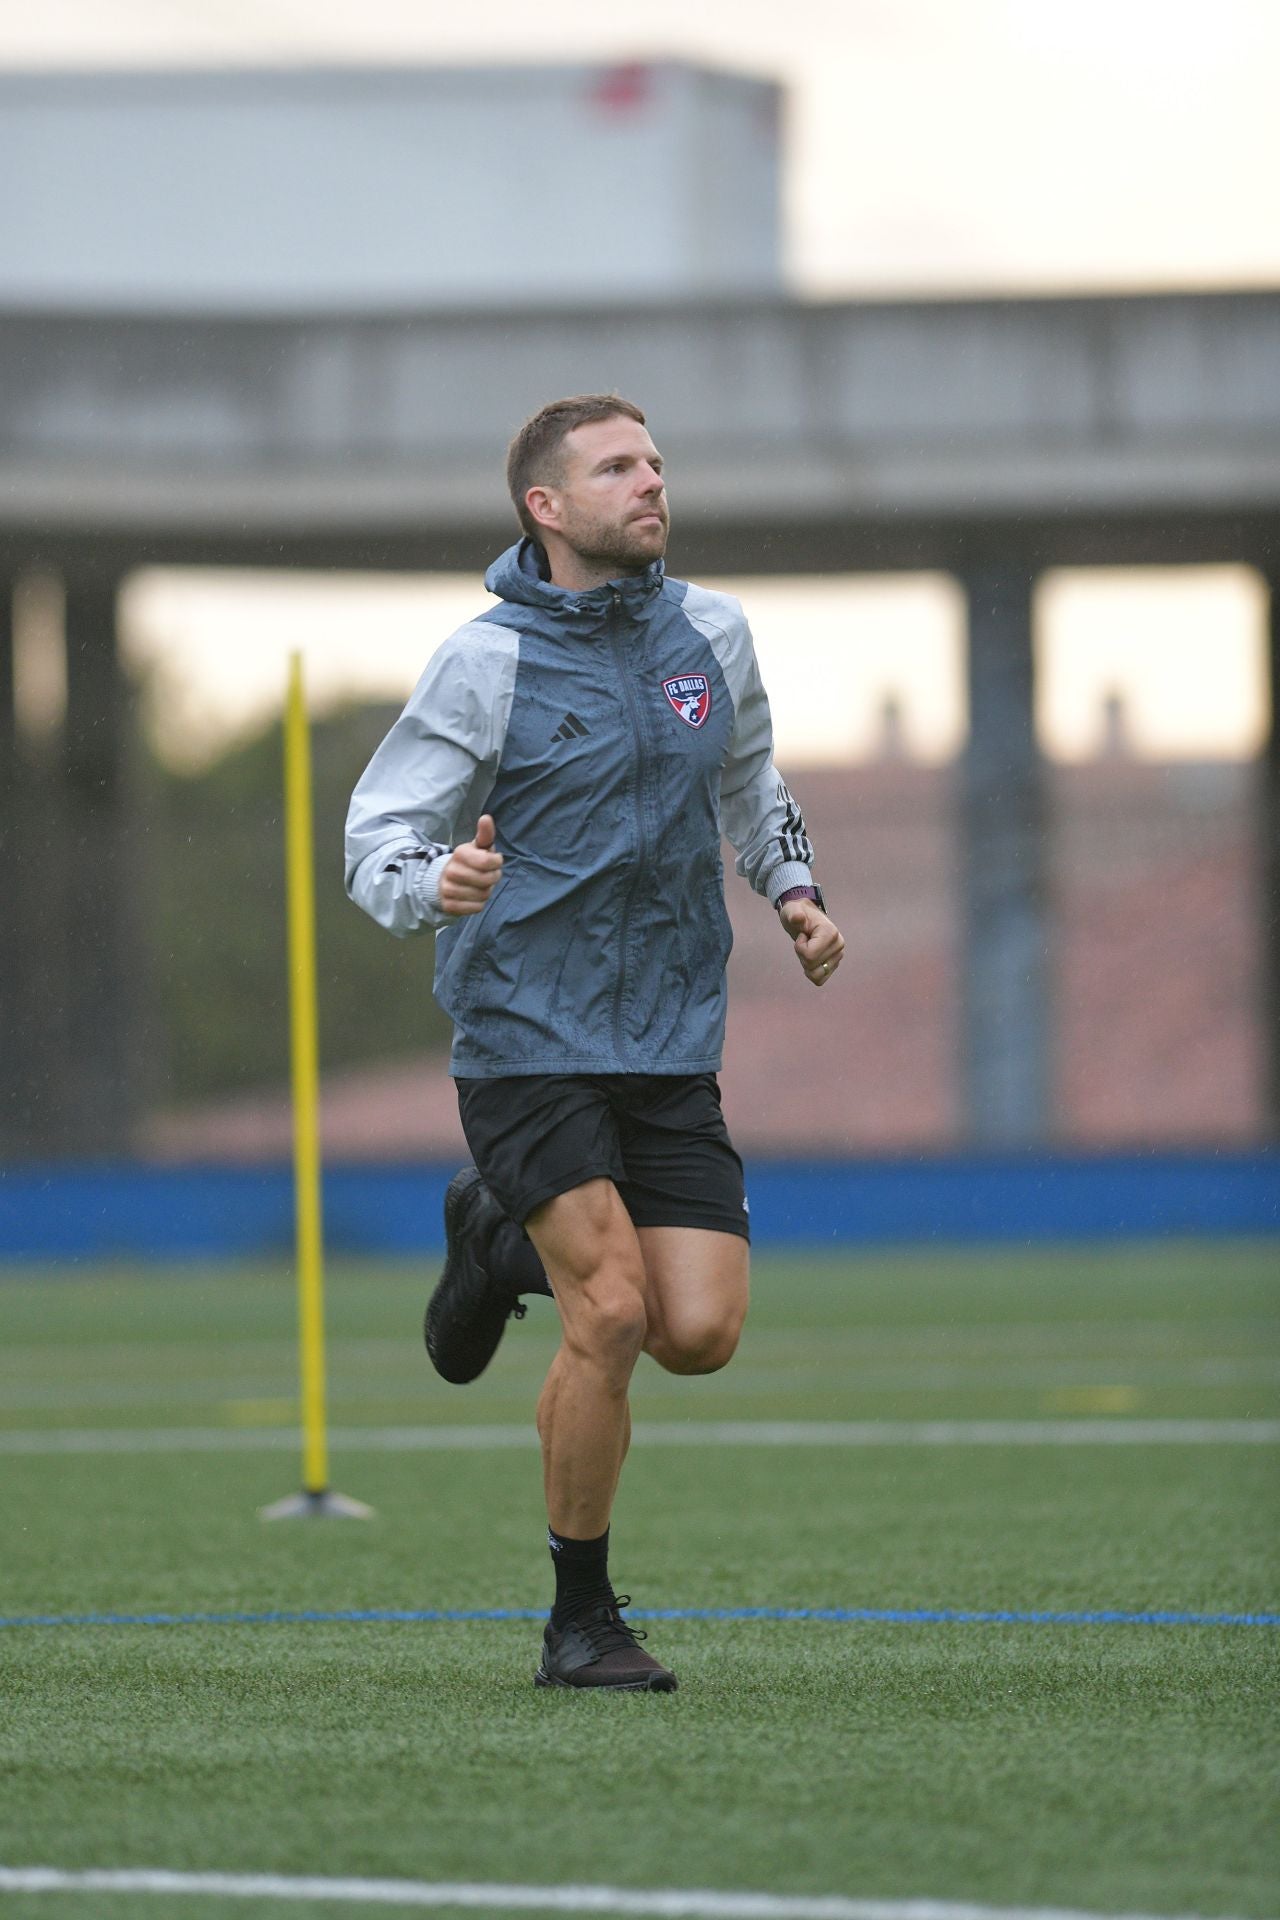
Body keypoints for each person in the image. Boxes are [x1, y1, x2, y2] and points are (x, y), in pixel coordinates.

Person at [345, 395, 844, 1692]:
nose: (652, 483)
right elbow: (380, 830)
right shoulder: (483, 661)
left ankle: (488, 1235)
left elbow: (753, 787)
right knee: (611, 1310)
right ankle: (582, 1622)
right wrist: (430, 881)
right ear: (545, 507)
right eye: (618, 467)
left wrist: (793, 893)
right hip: (525, 1031)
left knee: (698, 1330)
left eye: (658, 462)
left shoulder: (714, 634)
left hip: (672, 1032)